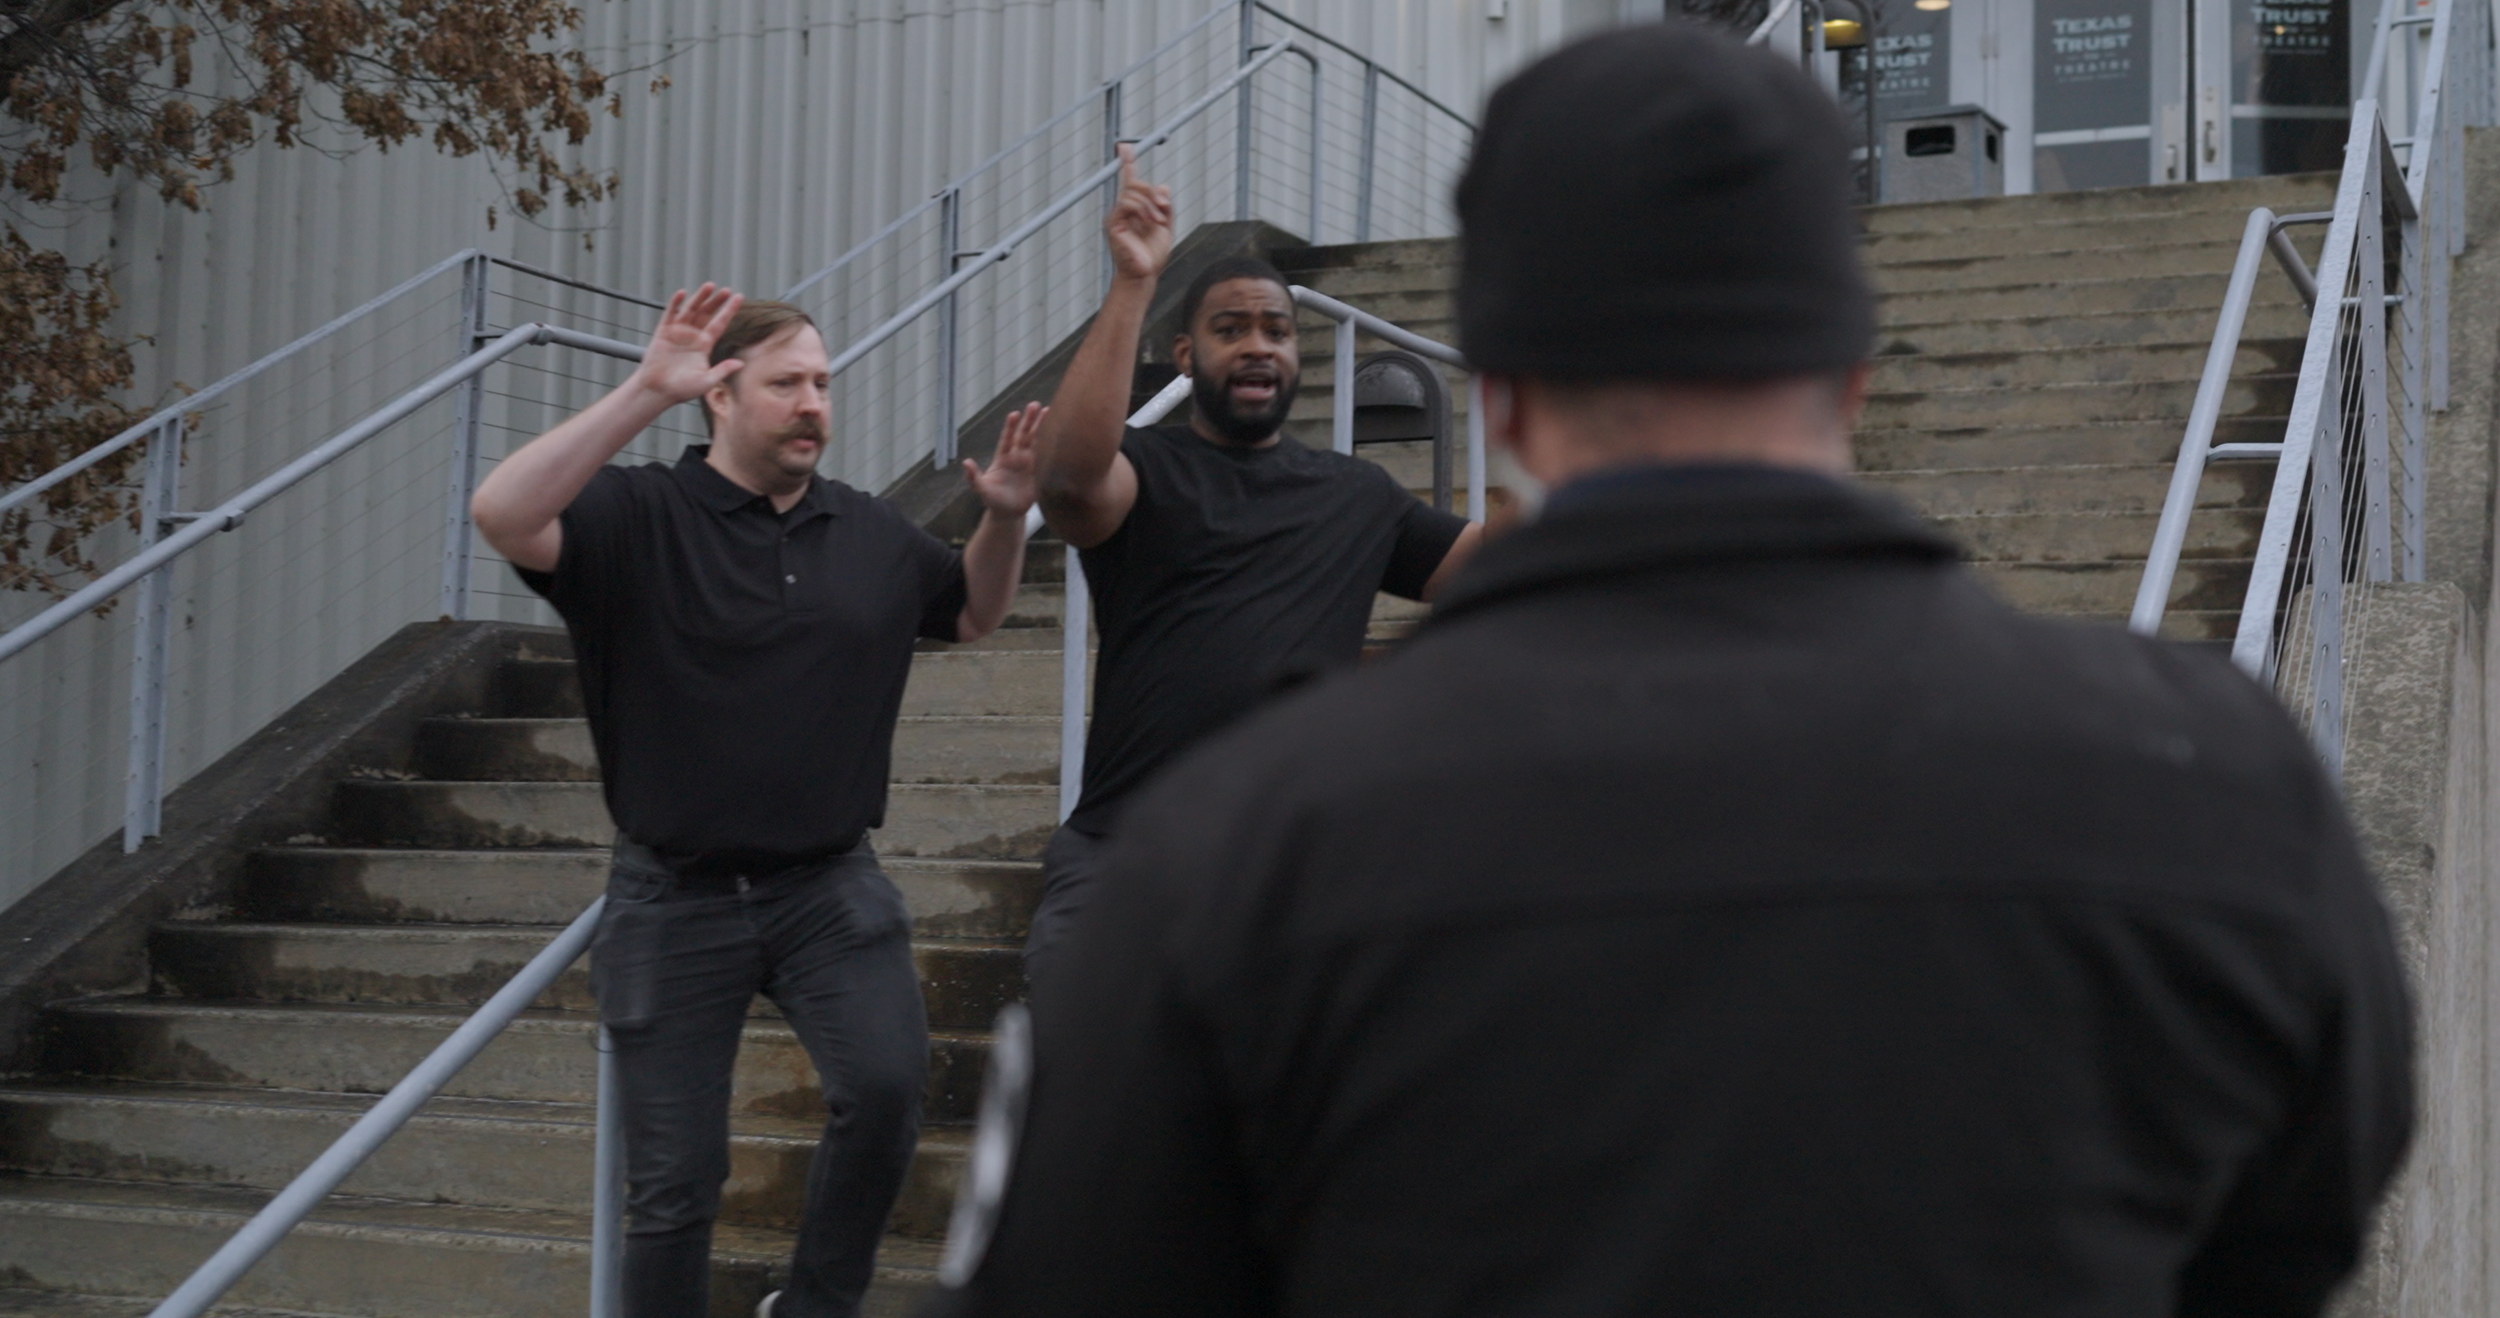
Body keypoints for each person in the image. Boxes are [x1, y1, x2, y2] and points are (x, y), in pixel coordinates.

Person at [930, 23, 2414, 1318]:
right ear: (1852, 372)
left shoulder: (1230, 858)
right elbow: (2289, 1229)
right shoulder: (2216, 779)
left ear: (1501, 398)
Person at [468, 288, 1044, 1318]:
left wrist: (1002, 517)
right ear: (720, 395)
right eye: (787, 384)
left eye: (822, 382)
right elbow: (503, 512)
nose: (814, 403)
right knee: (674, 1187)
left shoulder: (866, 530)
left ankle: (816, 1305)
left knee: (885, 1093)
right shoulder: (639, 515)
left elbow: (971, 612)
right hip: (671, 898)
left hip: (830, 890)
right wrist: (645, 390)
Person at [1020, 145, 1485, 980]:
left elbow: (1493, 570)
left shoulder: (1357, 495)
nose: (1259, 346)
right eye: (1230, 330)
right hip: (1128, 858)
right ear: (1186, 355)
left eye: (1276, 329)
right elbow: (1068, 478)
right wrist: (1132, 285)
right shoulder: (1147, 467)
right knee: (1089, 1097)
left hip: (1292, 874)